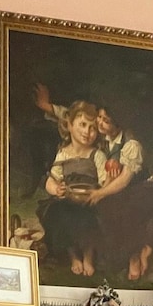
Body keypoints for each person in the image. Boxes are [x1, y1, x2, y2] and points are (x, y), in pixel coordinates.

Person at [33, 85, 153, 280]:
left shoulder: (131, 145)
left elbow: (123, 180)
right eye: (99, 119)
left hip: (143, 186)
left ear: (118, 123)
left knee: (119, 210)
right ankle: (75, 254)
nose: (99, 125)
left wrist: (99, 192)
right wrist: (46, 106)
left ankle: (136, 253)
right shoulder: (99, 133)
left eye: (105, 121)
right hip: (113, 187)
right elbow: (73, 116)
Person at [36, 100, 107, 276]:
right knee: (58, 213)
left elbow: (105, 180)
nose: (87, 132)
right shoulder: (63, 153)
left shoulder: (96, 154)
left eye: (92, 128)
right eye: (82, 125)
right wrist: (55, 189)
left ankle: (88, 256)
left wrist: (99, 190)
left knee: (88, 218)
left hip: (90, 200)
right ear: (69, 125)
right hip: (67, 199)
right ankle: (73, 256)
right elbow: (51, 179)